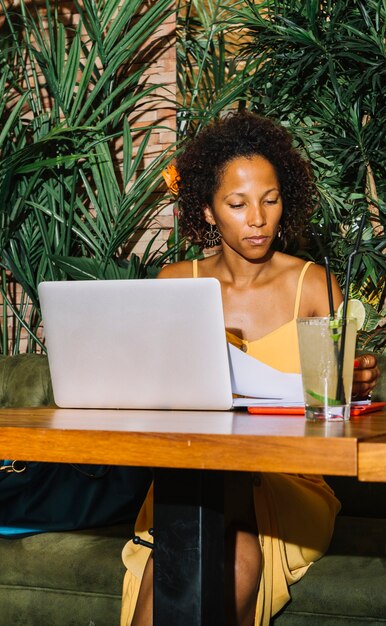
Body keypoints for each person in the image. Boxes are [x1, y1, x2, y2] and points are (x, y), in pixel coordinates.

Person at [120, 110, 381, 626]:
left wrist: (350, 385)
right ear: (209, 211)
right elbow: (151, 397)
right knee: (207, 558)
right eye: (237, 204)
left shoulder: (313, 286)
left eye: (270, 200)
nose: (258, 219)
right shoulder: (176, 283)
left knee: (204, 552)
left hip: (288, 482)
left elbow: (334, 415)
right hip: (196, 472)